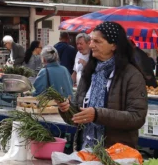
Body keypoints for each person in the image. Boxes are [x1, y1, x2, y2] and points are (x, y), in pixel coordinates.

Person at [63, 21, 148, 150]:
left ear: (113, 45)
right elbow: (76, 117)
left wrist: (98, 115)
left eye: (97, 41)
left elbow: (137, 117)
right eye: (91, 41)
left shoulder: (132, 76)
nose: (91, 45)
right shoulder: (89, 72)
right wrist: (66, 109)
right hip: (85, 151)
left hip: (116, 154)